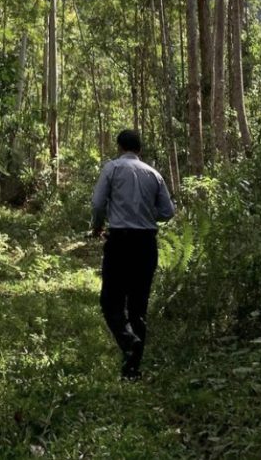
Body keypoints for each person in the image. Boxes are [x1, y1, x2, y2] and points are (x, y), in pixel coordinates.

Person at [91, 129, 175, 379]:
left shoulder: (113, 168)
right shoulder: (154, 174)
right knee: (139, 306)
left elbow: (97, 203)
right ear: (139, 149)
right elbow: (168, 212)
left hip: (120, 242)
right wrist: (149, 216)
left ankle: (128, 341)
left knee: (110, 302)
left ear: (119, 147)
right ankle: (132, 370)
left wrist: (97, 226)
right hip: (147, 243)